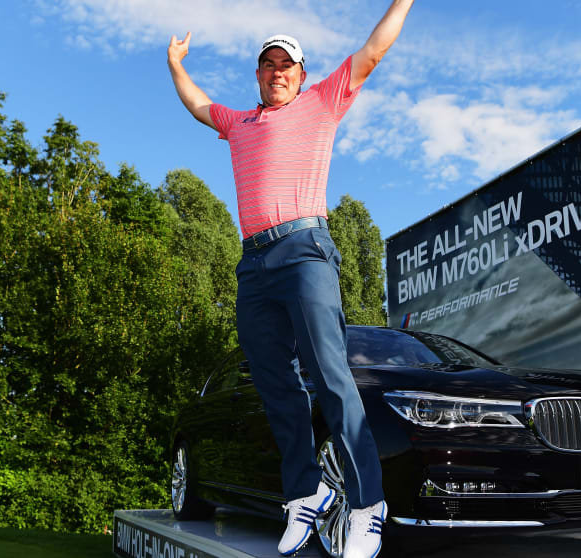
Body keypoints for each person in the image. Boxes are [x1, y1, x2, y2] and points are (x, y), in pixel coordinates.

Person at [167, 3, 413, 557]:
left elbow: (373, 52)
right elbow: (198, 105)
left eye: (287, 65)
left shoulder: (322, 103)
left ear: (301, 75)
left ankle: (367, 504)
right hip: (253, 262)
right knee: (273, 381)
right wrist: (176, 64)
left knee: (329, 374)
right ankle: (304, 493)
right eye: (269, 64)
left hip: (304, 250)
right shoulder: (240, 124)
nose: (277, 72)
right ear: (258, 75)